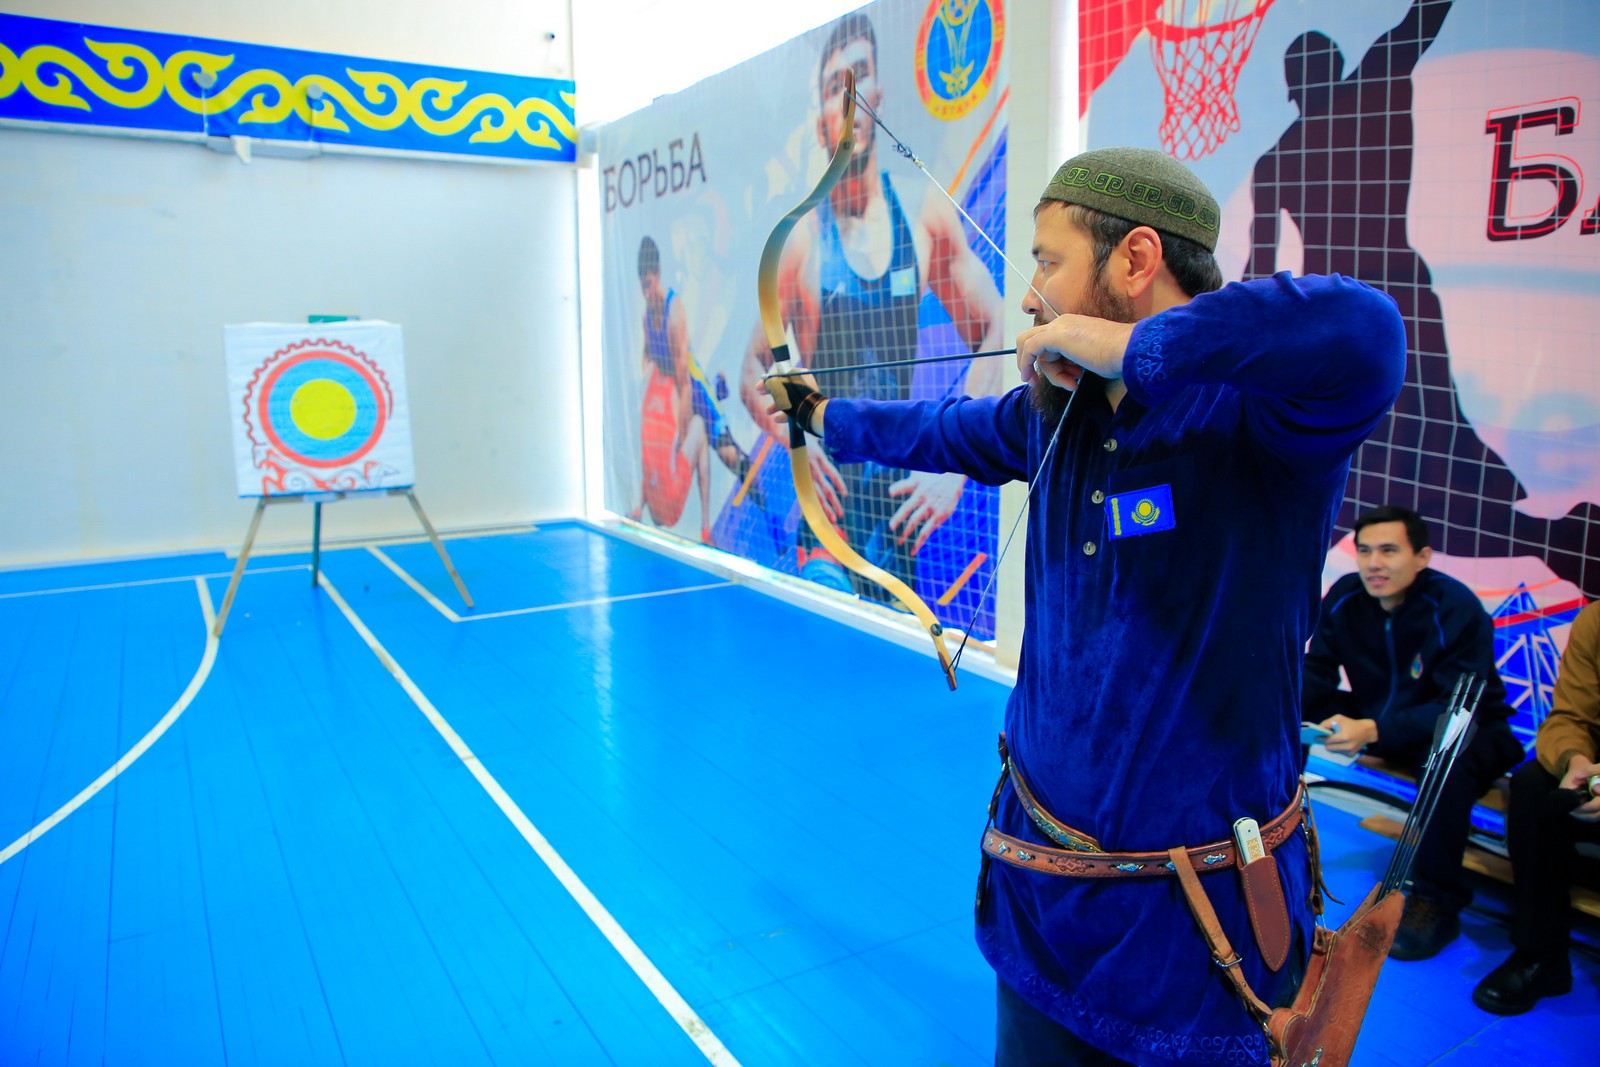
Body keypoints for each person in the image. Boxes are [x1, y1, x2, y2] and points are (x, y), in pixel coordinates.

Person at [768, 147, 1406, 1065]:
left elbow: (1368, 331)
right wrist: (820, 415)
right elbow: (933, 430)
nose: (1030, 295)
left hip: (1199, 935)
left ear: (1136, 259)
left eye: (1048, 261)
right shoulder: (1052, 416)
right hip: (1041, 901)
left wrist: (1126, 349)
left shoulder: (1261, 421)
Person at [1245, 0, 1599, 599]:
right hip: (1354, 317)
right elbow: (1257, 276)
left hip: (1378, 308)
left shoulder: (1365, 96)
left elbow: (1416, 23)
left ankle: (1562, 542)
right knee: (1358, 468)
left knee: (1432, 470)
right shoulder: (1290, 149)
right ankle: (1559, 540)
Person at [740, 11, 1004, 597]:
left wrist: (957, 465)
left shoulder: (925, 216)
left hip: (899, 515)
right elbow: (752, 369)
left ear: (878, 94)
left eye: (859, 78)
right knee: (824, 640)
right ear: (819, 120)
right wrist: (795, 440)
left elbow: (997, 328)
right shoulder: (800, 242)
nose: (849, 100)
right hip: (828, 516)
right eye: (834, 88)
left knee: (895, 648)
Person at [1303, 505, 1526, 960]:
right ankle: (1276, 839)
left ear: (1422, 557)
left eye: (1389, 551)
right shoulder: (1346, 597)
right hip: (1385, 718)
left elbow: (1457, 708)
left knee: (1447, 763)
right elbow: (1317, 671)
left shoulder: (1455, 607)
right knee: (1286, 711)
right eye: (1365, 551)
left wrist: (1374, 729)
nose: (1373, 563)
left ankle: (1437, 902)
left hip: (1472, 727)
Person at [1471, 600, 1600, 1014]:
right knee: (1532, 785)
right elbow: (1569, 718)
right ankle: (1541, 955)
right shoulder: (1595, 620)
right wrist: (1575, 762)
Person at [633, 236, 759, 541]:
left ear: (657, 273)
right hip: (673, 393)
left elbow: (684, 383)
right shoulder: (647, 315)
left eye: (649, 285)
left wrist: (680, 431)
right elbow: (648, 359)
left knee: (729, 456)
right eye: (642, 287)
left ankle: (767, 505)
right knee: (659, 449)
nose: (646, 293)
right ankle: (704, 529)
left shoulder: (674, 312)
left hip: (693, 390)